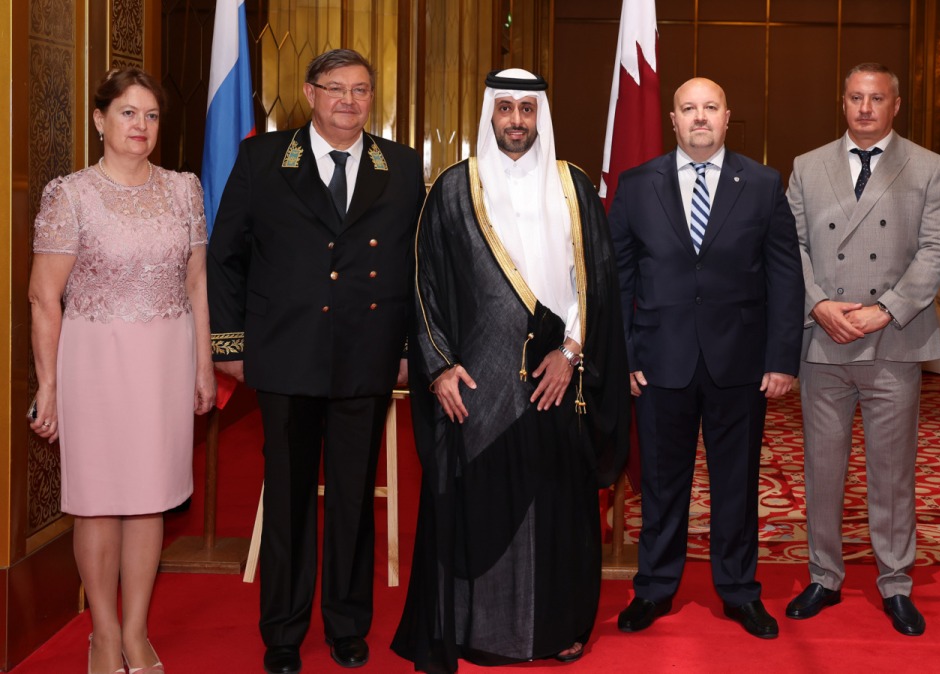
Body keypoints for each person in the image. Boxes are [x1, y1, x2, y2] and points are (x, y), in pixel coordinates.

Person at [390, 68, 629, 673]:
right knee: (479, 497)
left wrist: (571, 352)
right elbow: (424, 287)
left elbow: (596, 280)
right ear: (489, 115)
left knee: (559, 504)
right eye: (506, 109)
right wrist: (439, 368)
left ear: (540, 115)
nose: (516, 120)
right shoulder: (453, 189)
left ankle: (561, 626)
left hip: (558, 374)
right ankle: (480, 629)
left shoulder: (573, 186)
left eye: (527, 108)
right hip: (479, 382)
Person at [207, 49, 425, 674]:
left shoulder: (400, 165)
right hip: (286, 355)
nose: (348, 101)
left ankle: (347, 626)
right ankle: (282, 631)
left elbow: (417, 267)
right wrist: (231, 344)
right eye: (335, 89)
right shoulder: (264, 159)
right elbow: (226, 255)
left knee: (353, 498)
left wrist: (407, 348)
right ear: (309, 93)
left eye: (360, 89)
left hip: (367, 356)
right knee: (289, 498)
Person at [28, 67, 215, 674]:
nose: (141, 125)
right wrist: (49, 385)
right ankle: (104, 635)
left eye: (151, 115)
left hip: (166, 359)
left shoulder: (185, 190)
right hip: (96, 361)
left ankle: (136, 632)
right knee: (99, 500)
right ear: (99, 120)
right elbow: (43, 296)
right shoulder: (70, 194)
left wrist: (203, 365)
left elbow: (196, 283)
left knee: (149, 499)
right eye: (128, 113)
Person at [609, 77, 805, 639]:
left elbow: (785, 276)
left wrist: (782, 359)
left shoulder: (763, 184)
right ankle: (654, 587)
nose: (700, 117)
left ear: (726, 116)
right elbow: (618, 277)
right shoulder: (636, 184)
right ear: (672, 119)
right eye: (689, 108)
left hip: (740, 363)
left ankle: (739, 590)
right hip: (657, 361)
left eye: (710, 107)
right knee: (661, 484)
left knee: (736, 485)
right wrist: (624, 354)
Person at [783, 62, 940, 637]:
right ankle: (824, 576)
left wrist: (886, 309)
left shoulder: (928, 166)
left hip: (893, 339)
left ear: (895, 105)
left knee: (892, 472)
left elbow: (938, 250)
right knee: (822, 469)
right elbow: (790, 246)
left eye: (876, 98)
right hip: (825, 340)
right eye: (855, 97)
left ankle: (896, 582)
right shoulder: (807, 166)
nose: (864, 108)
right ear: (843, 101)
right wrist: (818, 305)